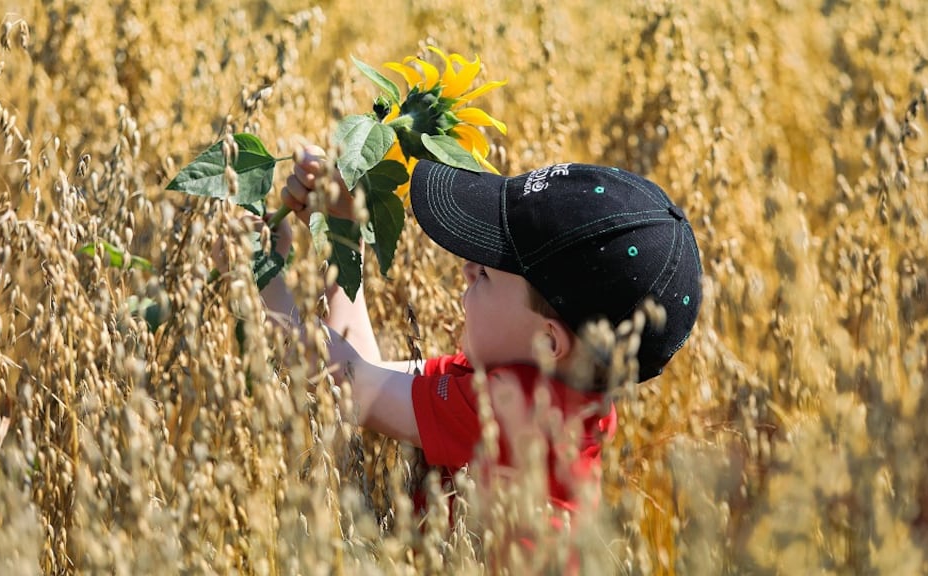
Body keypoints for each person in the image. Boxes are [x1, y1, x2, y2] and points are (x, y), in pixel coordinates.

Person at [265, 144, 702, 531]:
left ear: (549, 344)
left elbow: (346, 382)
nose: (466, 268)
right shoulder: (560, 395)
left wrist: (262, 280)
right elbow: (368, 377)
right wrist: (345, 230)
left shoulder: (516, 410)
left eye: (488, 272)